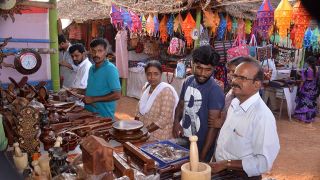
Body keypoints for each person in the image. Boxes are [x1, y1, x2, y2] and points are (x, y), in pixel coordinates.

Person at [212, 58, 280, 179]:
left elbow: (263, 163)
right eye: (235, 76)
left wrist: (226, 164)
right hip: (222, 172)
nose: (235, 81)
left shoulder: (262, 116)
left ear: (257, 84)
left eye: (242, 78)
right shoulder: (234, 104)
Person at [173, 45, 225, 162]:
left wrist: (202, 157)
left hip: (201, 148)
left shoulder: (215, 90)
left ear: (214, 69)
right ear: (192, 64)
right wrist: (176, 122)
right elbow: (181, 105)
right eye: (199, 68)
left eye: (208, 70)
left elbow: (213, 128)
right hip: (184, 141)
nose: (202, 73)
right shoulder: (188, 81)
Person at [135, 60, 179, 141]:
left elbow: (164, 118)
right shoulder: (146, 88)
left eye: (156, 74)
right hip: (144, 133)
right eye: (149, 74)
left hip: (160, 135)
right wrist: (135, 127)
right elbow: (138, 111)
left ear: (161, 74)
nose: (152, 77)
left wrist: (144, 131)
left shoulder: (166, 91)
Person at [83, 38, 121, 119]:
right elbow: (93, 89)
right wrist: (78, 90)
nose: (96, 54)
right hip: (89, 113)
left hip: (103, 117)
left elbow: (117, 95)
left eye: (100, 51)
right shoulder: (91, 68)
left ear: (105, 52)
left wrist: (93, 99)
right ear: (90, 52)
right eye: (93, 51)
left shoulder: (110, 69)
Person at [294, 56, 319, 123]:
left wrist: (300, 88)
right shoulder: (317, 69)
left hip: (306, 88)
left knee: (304, 103)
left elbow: (303, 80)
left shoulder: (307, 70)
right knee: (311, 103)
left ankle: (303, 118)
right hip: (313, 89)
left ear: (308, 63)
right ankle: (310, 118)